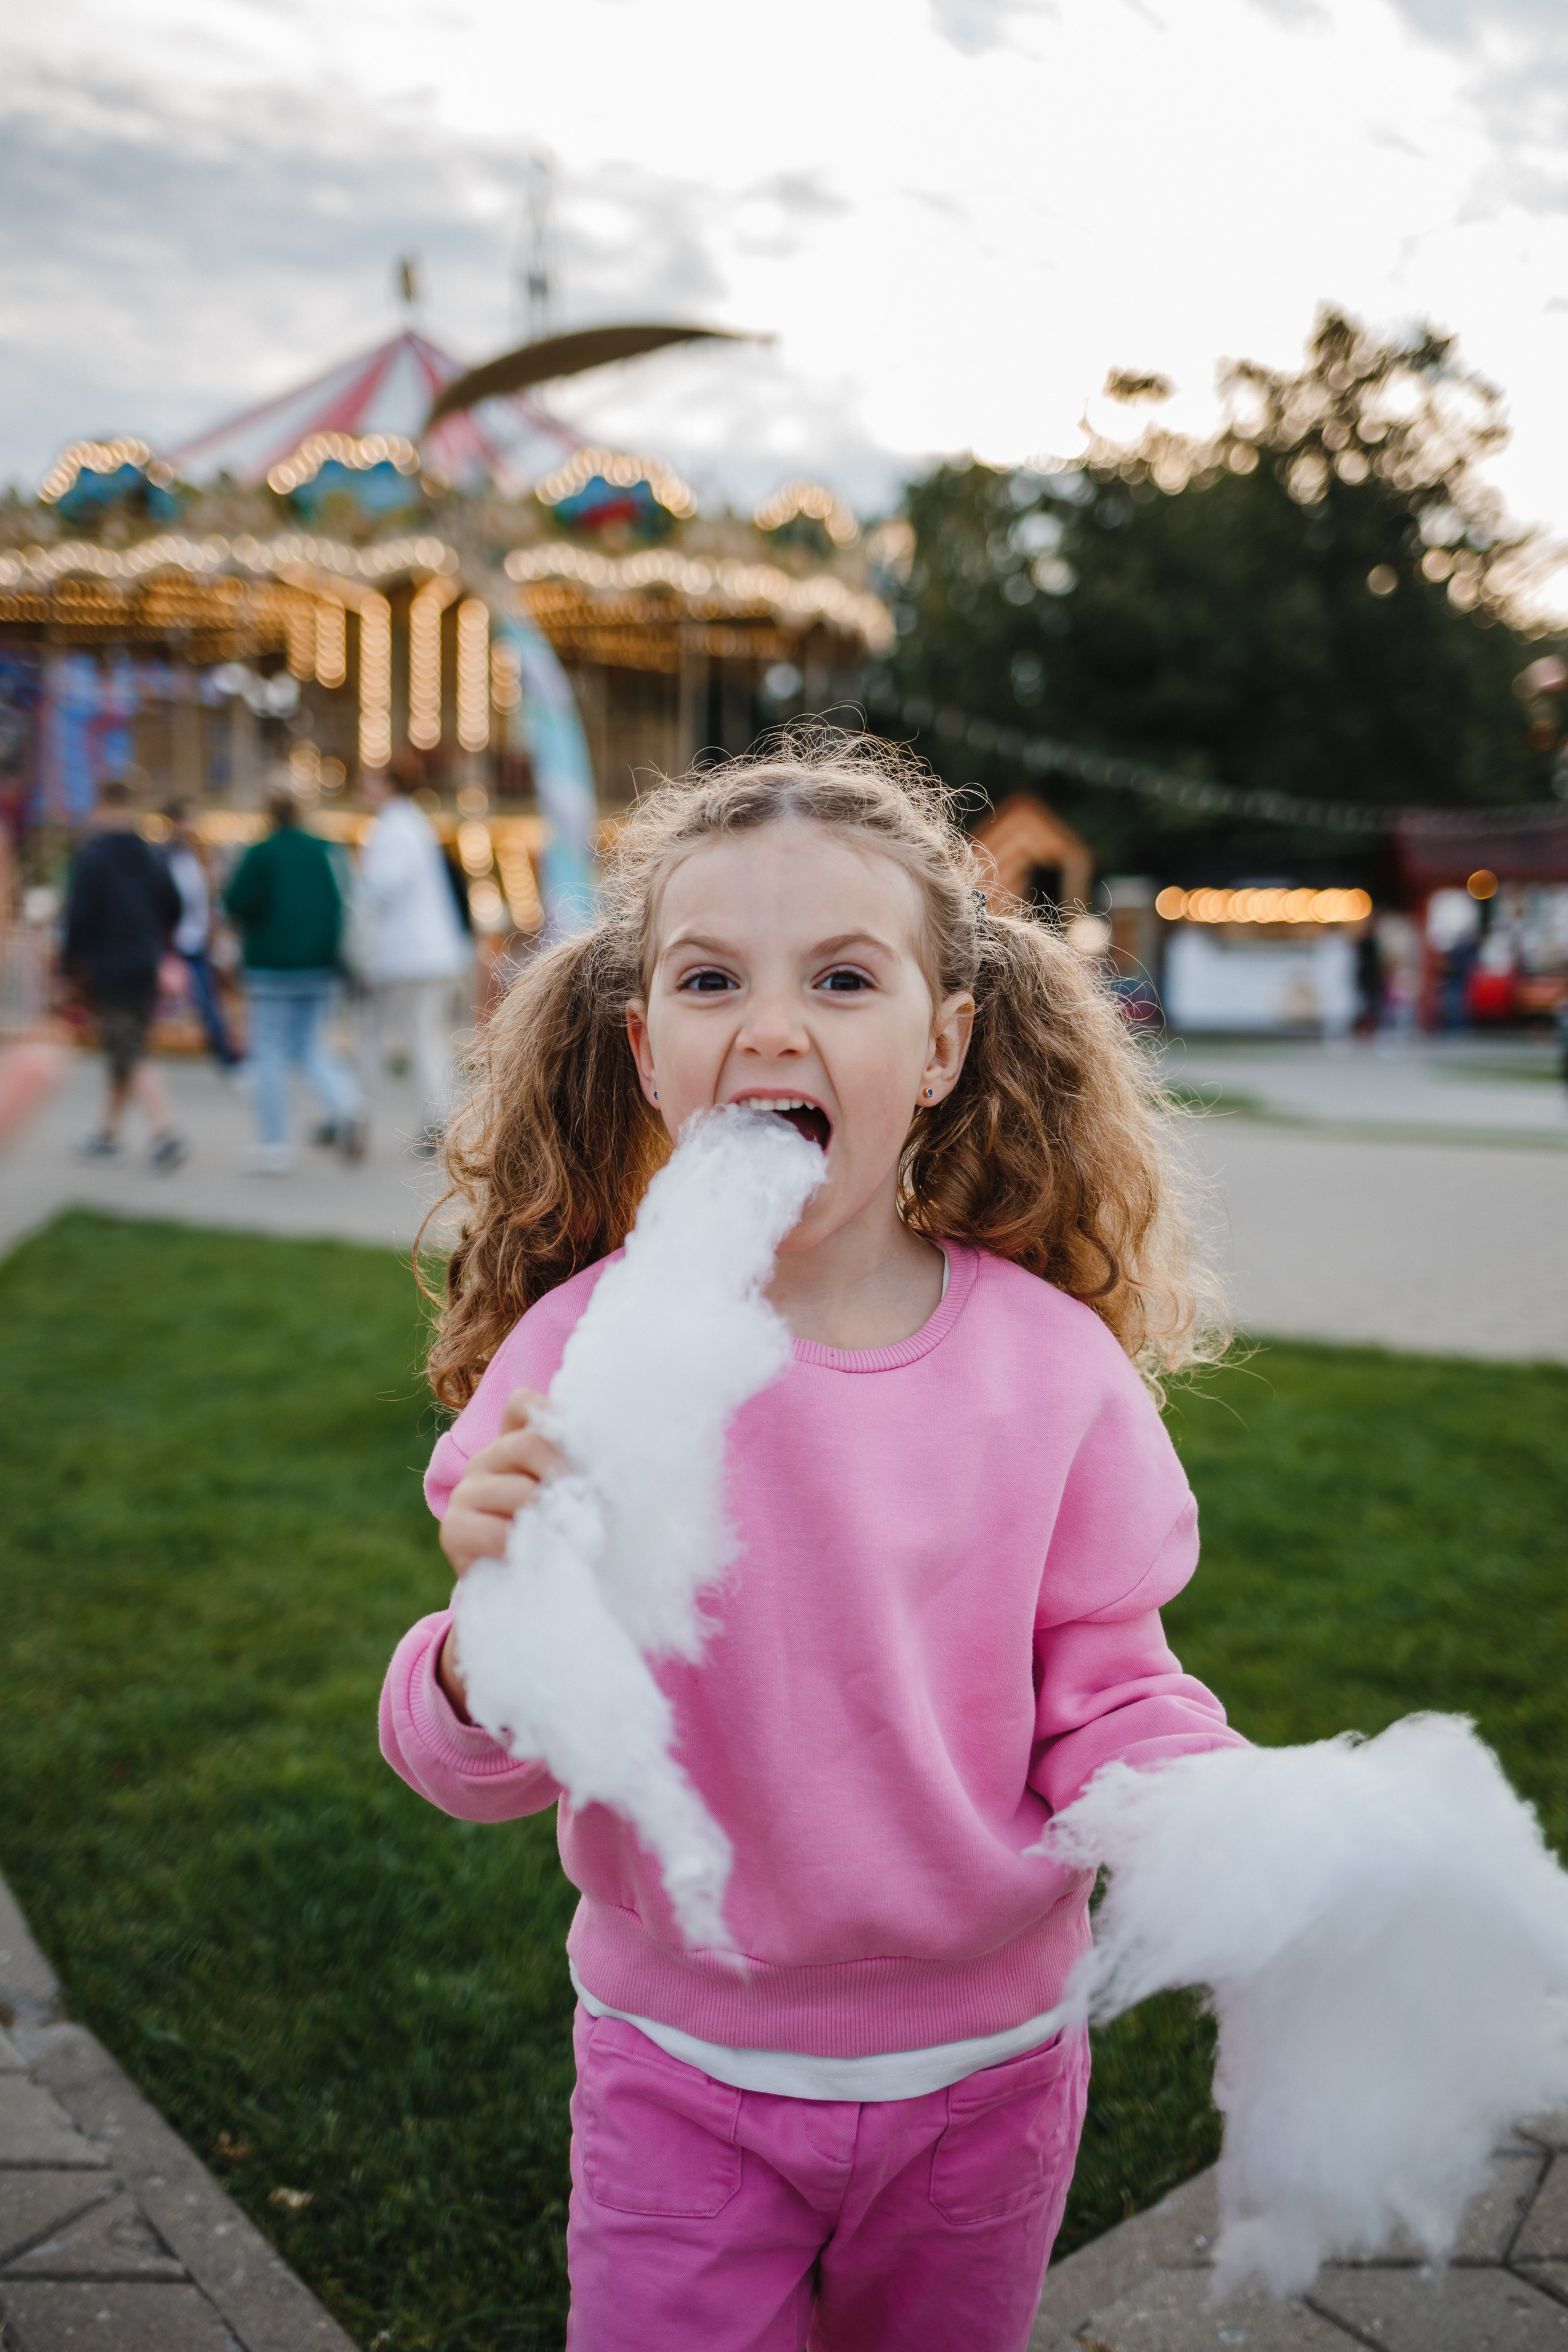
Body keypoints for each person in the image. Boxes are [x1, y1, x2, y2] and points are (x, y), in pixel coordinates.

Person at [380, 737, 1243, 2351]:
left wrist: (1224, 1820)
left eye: (845, 980)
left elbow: (1113, 1690)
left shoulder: (1048, 1373)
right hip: (678, 2067)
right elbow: (478, 1758)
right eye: (712, 982)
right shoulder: (577, 1364)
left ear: (944, 1045)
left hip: (986, 2075)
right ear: (646, 1051)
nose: (772, 1026)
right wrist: (492, 1647)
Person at [224, 786, 365, 1175]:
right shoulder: (325, 851)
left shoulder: (261, 853)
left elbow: (235, 902)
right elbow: (342, 902)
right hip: (319, 967)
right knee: (309, 1047)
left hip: (271, 967)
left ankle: (275, 1145)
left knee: (268, 1052)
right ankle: (347, 1105)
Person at [62, 777, 187, 1170]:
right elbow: (175, 907)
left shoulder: (93, 855)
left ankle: (166, 1131)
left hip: (110, 966)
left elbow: (78, 918)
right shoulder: (152, 854)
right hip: (145, 963)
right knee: (124, 1046)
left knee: (129, 1049)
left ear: (101, 805)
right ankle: (107, 1133)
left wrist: (68, 970)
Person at [355, 769, 470, 1155]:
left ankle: (354, 1112)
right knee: (426, 1035)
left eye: (369, 785)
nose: (363, 793)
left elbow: (383, 886)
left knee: (376, 1035)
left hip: (406, 956)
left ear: (388, 786)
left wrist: (361, 875)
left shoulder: (391, 828)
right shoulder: (414, 824)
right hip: (432, 952)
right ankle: (440, 1116)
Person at [162, 802, 240, 1069]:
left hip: (196, 938)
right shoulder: (164, 856)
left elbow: (206, 898)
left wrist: (212, 929)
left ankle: (226, 1054)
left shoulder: (196, 856)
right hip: (174, 939)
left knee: (208, 999)